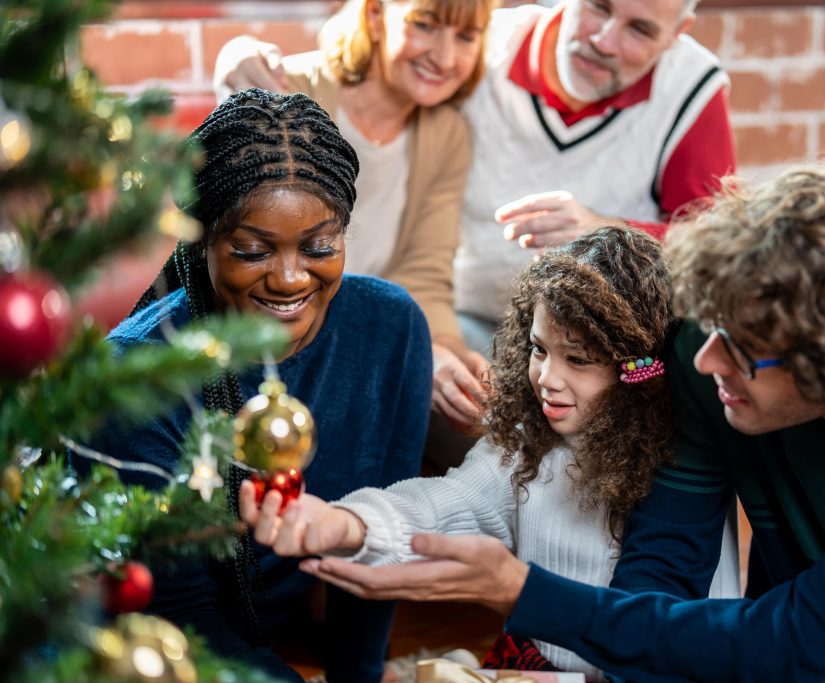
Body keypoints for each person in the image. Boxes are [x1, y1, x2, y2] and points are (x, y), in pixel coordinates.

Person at [294, 168, 825, 682]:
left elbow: (789, 640)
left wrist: (526, 591)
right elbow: (661, 572)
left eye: (736, 350)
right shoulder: (717, 351)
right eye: (710, 329)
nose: (703, 361)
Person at [214, 0, 735, 440]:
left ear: (676, 34)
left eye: (639, 29)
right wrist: (237, 56)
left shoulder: (691, 88)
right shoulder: (489, 44)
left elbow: (717, 245)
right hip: (464, 319)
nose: (604, 39)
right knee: (468, 414)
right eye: (598, 6)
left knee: (664, 384)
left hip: (593, 345)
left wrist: (608, 231)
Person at [238, 226, 740, 680]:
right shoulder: (533, 440)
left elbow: (672, 633)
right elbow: (445, 503)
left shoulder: (680, 466)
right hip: (534, 660)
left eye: (579, 359)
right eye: (539, 349)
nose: (547, 378)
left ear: (638, 369)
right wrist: (345, 523)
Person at [77, 89, 433, 683]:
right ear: (202, 241)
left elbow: (380, 540)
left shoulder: (390, 329)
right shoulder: (137, 375)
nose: (291, 278)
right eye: (251, 251)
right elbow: (174, 613)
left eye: (320, 247)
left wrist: (358, 675)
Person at [214, 0, 497, 431]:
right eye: (424, 25)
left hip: (368, 342)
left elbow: (424, 268)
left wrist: (442, 348)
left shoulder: (447, 133)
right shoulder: (292, 92)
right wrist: (233, 53)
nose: (444, 57)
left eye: (465, 37)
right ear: (375, 17)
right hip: (272, 337)